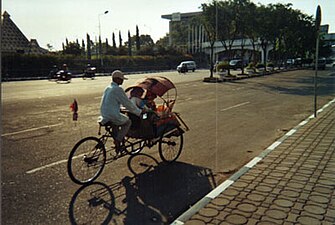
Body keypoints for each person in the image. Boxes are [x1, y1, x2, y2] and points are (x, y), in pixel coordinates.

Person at [99, 70, 143, 150]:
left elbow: (111, 102)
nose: (122, 81)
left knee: (116, 122)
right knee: (128, 122)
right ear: (117, 79)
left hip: (104, 113)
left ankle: (117, 140)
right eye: (121, 79)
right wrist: (138, 112)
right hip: (111, 114)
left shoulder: (108, 88)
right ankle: (118, 140)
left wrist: (119, 109)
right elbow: (128, 104)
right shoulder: (118, 89)